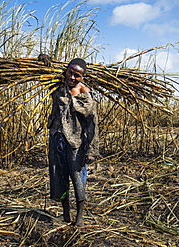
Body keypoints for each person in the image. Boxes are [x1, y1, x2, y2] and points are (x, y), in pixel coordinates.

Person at [46, 57, 99, 226]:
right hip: (57, 139)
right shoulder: (58, 86)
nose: (72, 77)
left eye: (77, 75)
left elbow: (92, 124)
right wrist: (44, 60)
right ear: (66, 70)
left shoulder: (85, 94)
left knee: (78, 180)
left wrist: (91, 150)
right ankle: (66, 214)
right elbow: (44, 74)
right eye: (70, 72)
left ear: (82, 77)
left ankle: (80, 218)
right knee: (59, 178)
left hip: (76, 143)